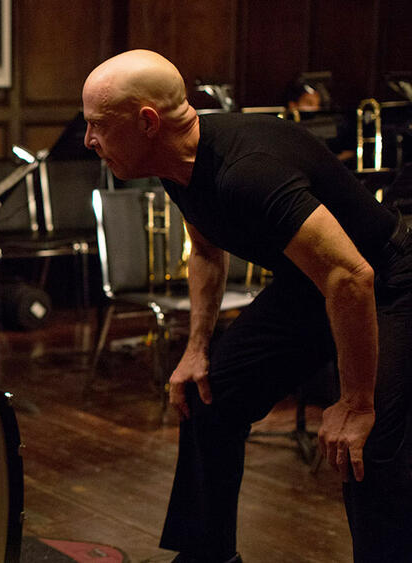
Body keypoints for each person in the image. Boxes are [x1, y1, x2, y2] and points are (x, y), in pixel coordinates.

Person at [82, 50, 412, 562]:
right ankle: (208, 556)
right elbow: (205, 250)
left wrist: (356, 403)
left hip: (391, 282)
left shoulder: (248, 171)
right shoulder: (175, 162)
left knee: (364, 445)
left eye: (98, 125)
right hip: (317, 285)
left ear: (147, 122)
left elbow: (353, 277)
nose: (89, 140)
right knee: (209, 395)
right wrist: (197, 349)